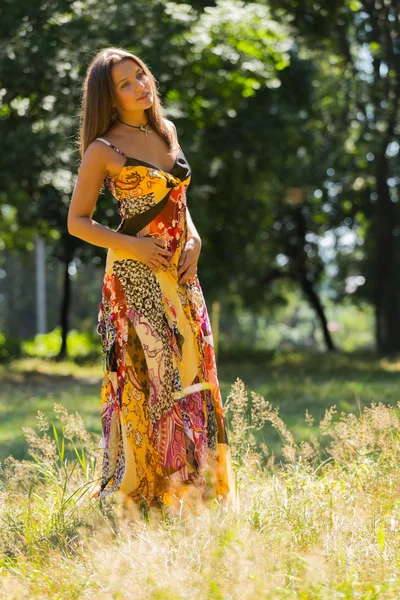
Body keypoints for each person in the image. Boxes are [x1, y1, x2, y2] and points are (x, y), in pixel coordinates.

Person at [67, 47, 239, 516]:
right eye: (125, 82)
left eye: (140, 75)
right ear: (109, 95)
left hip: (182, 277)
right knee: (154, 379)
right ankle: (148, 494)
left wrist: (196, 240)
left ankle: (201, 491)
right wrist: (136, 247)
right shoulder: (104, 149)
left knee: (196, 374)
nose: (140, 85)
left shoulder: (167, 132)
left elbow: (180, 202)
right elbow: (77, 222)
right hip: (135, 277)